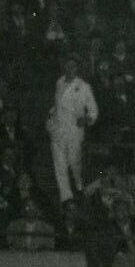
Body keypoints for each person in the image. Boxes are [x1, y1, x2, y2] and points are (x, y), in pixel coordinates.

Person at [46, 54, 98, 205]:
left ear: (77, 69)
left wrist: (87, 119)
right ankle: (66, 198)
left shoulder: (84, 87)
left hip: (74, 131)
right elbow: (57, 106)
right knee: (60, 164)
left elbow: (93, 111)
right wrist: (50, 118)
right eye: (67, 66)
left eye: (73, 66)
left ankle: (78, 182)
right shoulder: (59, 82)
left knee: (74, 162)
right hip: (57, 129)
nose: (69, 69)